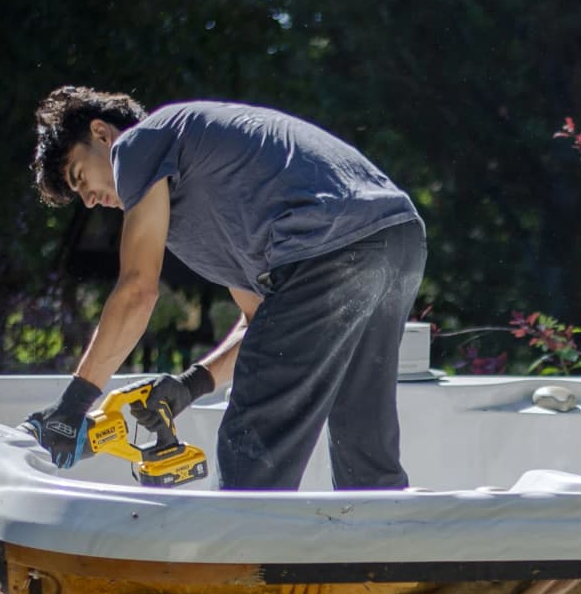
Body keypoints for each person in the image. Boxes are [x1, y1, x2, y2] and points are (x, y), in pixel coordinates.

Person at [23, 86, 424, 489]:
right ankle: (382, 549)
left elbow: (137, 290)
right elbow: (260, 321)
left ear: (102, 134)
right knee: (363, 440)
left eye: (80, 178)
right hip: (395, 238)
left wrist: (73, 405)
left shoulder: (137, 145)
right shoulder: (212, 194)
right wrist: (191, 384)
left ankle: (242, 551)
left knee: (251, 443)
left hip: (328, 248)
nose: (90, 201)